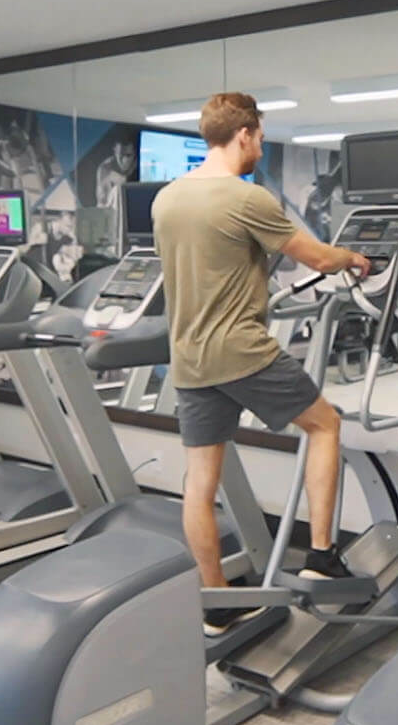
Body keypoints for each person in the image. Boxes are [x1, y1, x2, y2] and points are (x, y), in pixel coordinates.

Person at [152, 92, 372, 635]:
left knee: (200, 484)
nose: (261, 146)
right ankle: (321, 555)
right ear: (244, 134)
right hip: (242, 350)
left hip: (190, 358)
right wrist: (356, 259)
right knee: (325, 425)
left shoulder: (167, 199)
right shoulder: (246, 197)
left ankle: (217, 603)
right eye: (261, 136)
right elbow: (319, 258)